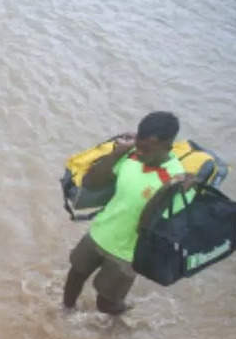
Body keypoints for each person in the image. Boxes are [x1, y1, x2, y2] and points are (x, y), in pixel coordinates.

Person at [62, 111, 194, 314]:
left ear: (168, 146)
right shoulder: (130, 156)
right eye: (138, 146)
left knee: (105, 304)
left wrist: (167, 190)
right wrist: (116, 153)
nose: (140, 153)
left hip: (127, 255)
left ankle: (126, 318)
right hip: (99, 233)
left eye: (147, 150)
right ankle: (65, 313)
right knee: (74, 276)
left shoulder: (179, 182)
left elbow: (147, 223)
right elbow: (91, 183)